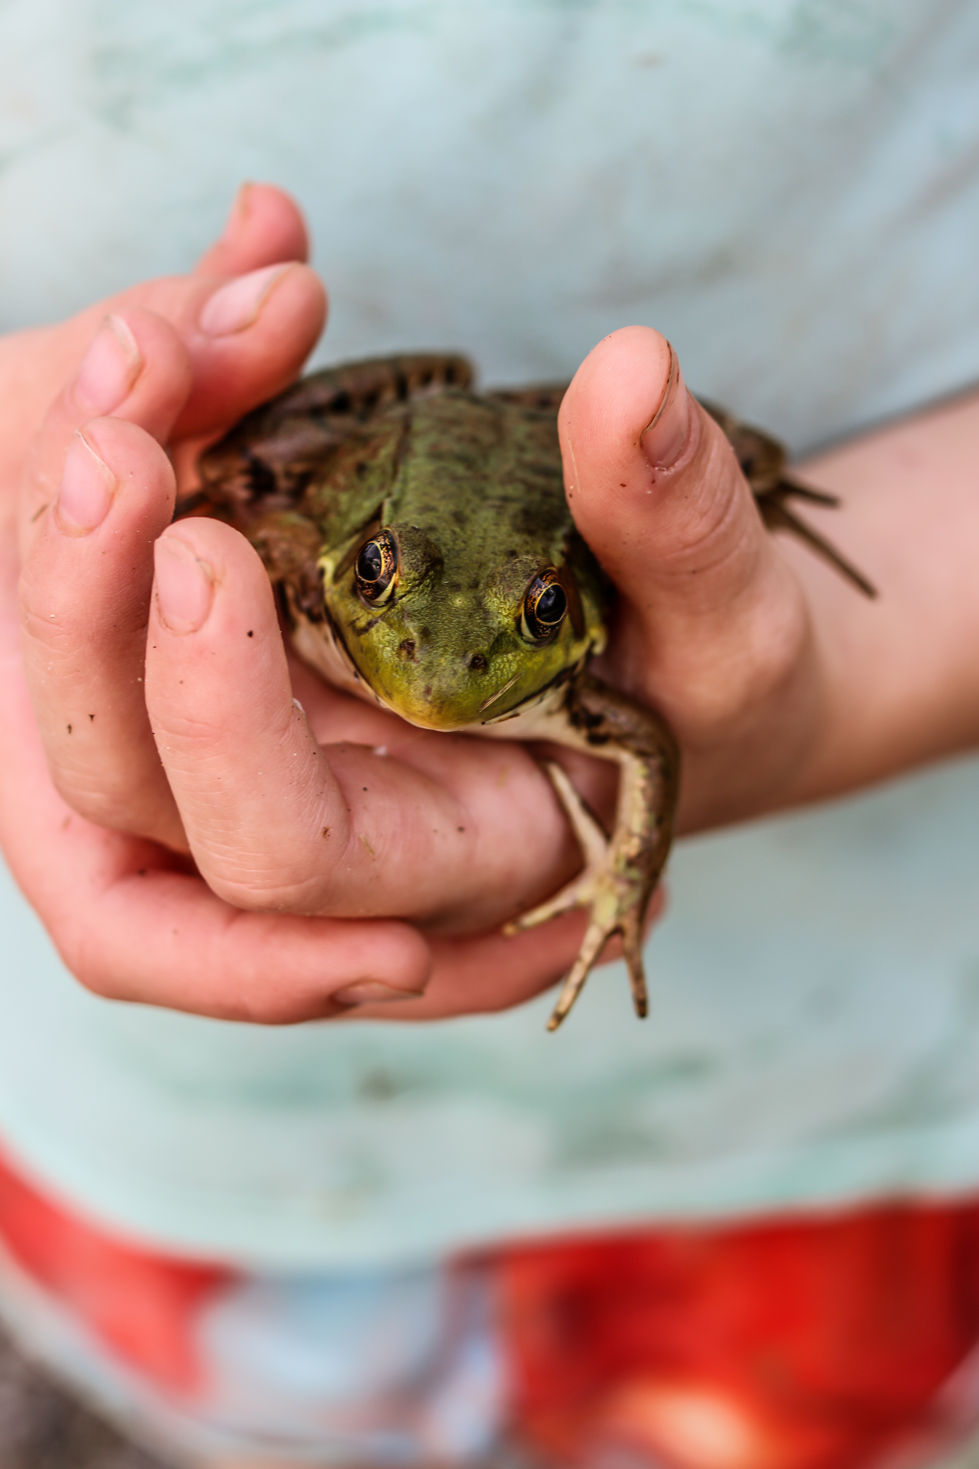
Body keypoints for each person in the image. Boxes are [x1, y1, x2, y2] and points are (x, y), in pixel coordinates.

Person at [1, 5, 978, 1466]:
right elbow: (246, 508)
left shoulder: (574, 678)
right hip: (175, 1140)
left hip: (839, 1093)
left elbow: (642, 737)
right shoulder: (307, 538)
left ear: (564, 617)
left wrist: (621, 870)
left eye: (534, 621)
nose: (436, 678)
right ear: (354, 561)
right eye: (372, 595)